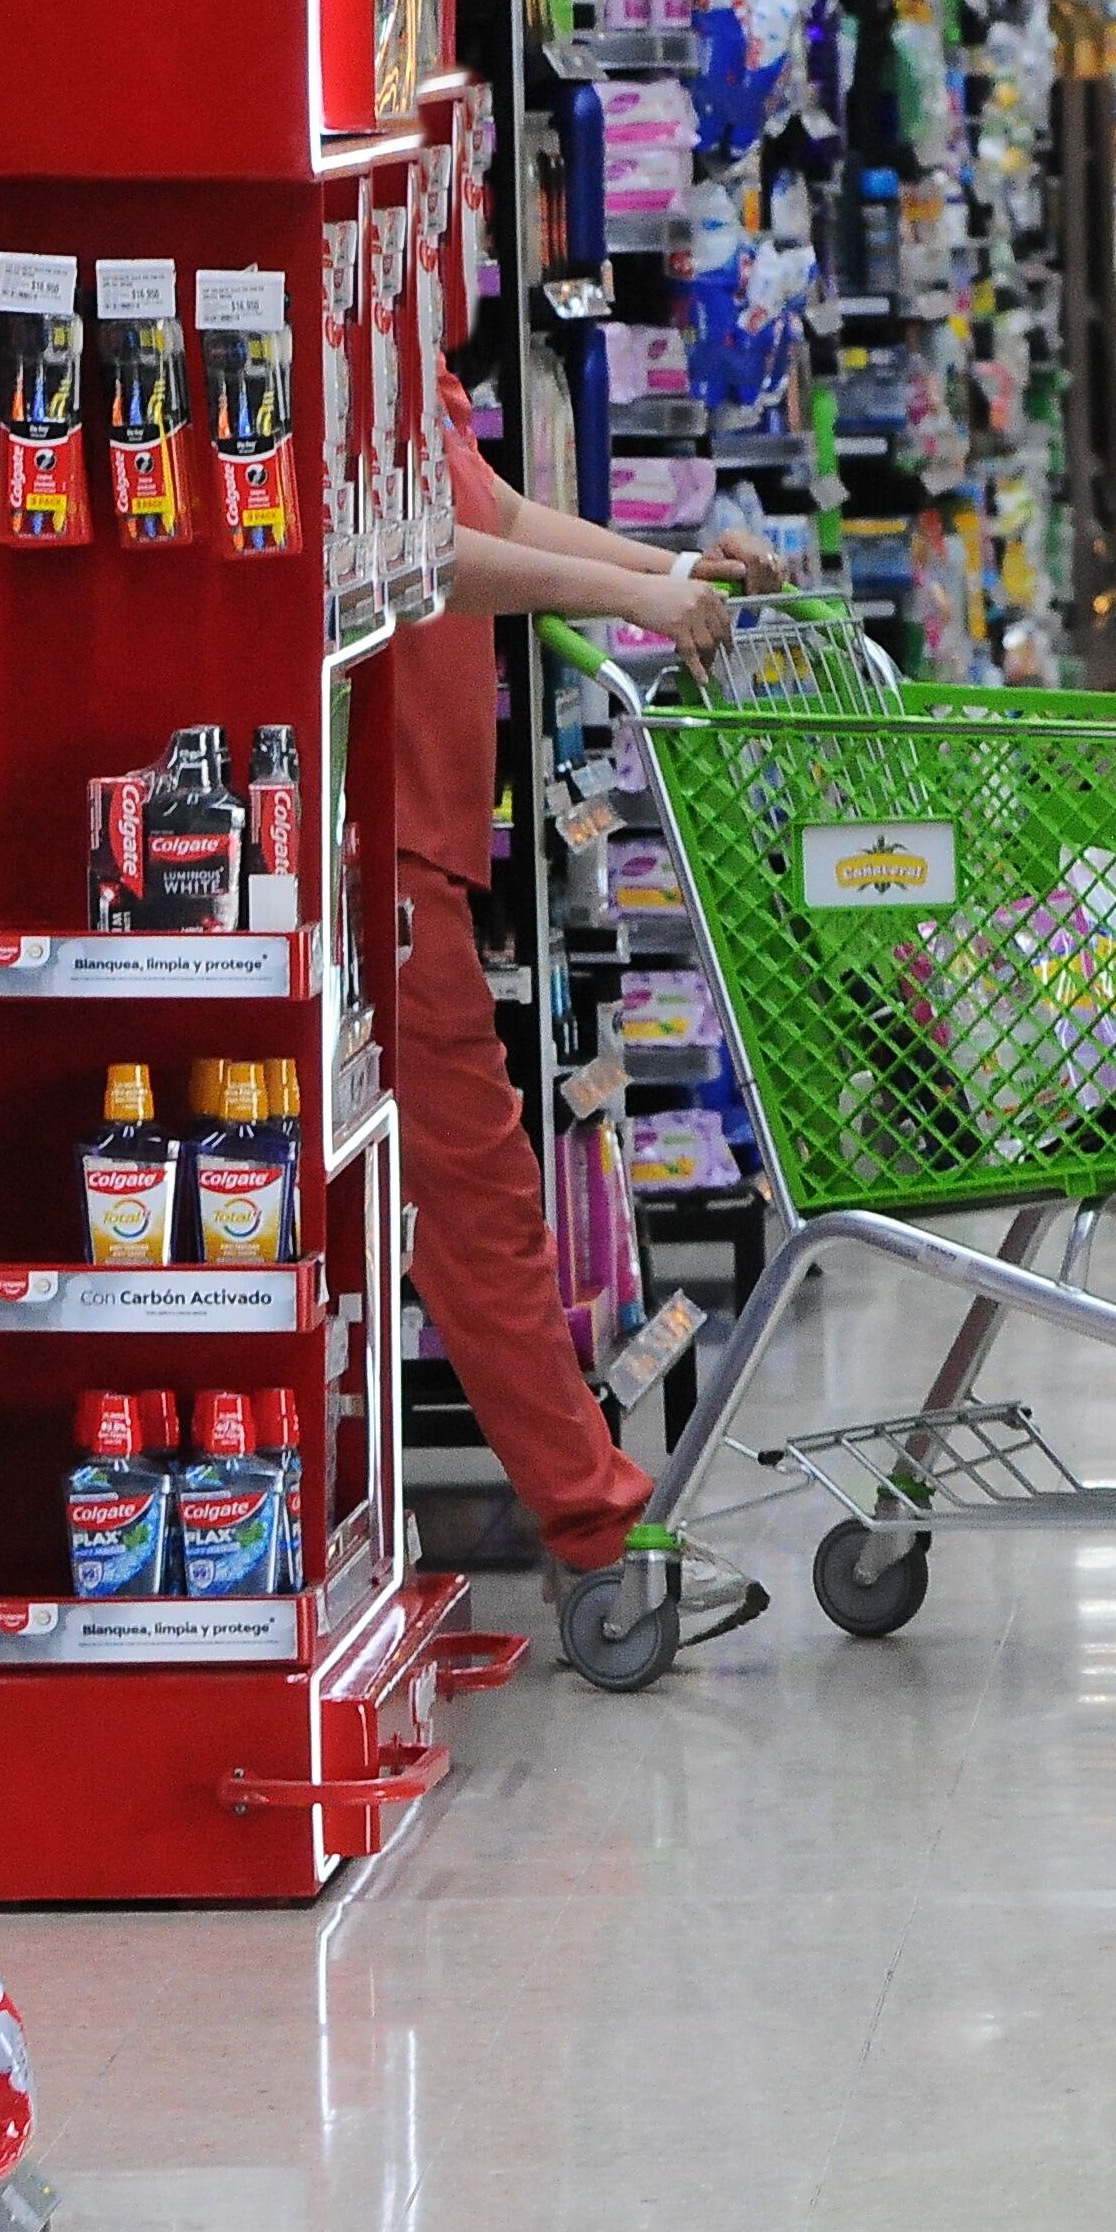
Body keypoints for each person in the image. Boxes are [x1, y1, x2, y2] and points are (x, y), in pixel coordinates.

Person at [395, 360, 780, 1651]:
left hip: (416, 819)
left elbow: (482, 505)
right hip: (351, 831)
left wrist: (666, 573)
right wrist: (633, 596)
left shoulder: (384, 302)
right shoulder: (307, 291)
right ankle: (595, 1528)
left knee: (469, 1191)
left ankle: (584, 1518)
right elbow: (403, 546)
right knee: (477, 1193)